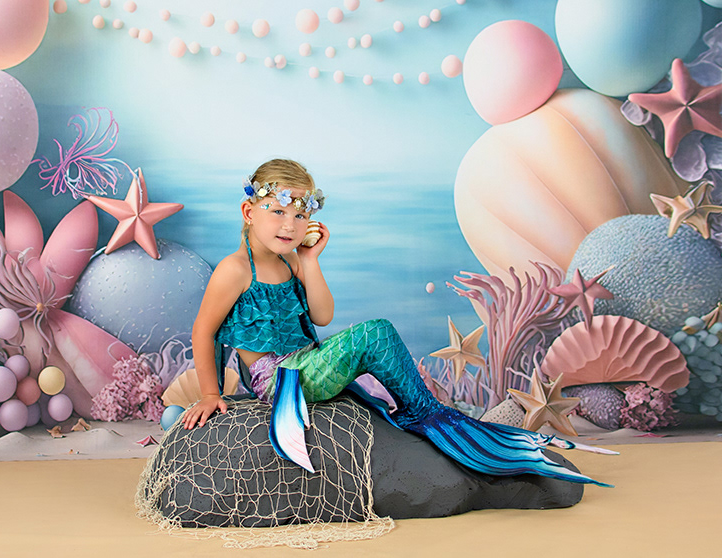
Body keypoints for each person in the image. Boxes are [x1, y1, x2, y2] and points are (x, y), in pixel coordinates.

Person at [182, 158, 610, 486]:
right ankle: (426, 413)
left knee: (378, 334)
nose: (289, 225)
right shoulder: (235, 270)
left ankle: (426, 415)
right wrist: (209, 394)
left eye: (299, 216)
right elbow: (204, 331)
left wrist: (310, 261)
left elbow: (322, 316)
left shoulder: (292, 261)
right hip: (282, 381)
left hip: (308, 363)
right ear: (249, 211)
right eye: (277, 211)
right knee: (376, 333)